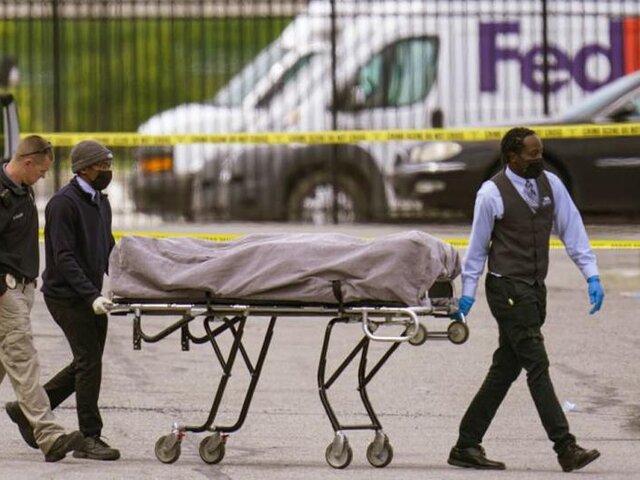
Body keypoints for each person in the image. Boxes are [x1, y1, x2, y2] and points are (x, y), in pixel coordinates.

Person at [447, 127, 605, 473]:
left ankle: (466, 444)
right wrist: (468, 294)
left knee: (506, 368)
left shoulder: (551, 184)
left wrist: (591, 274)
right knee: (537, 365)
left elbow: (572, 229)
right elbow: (477, 249)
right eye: (532, 154)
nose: (539, 159)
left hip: (534, 289)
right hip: (507, 290)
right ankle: (565, 447)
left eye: (540, 152)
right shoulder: (491, 194)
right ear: (512, 157)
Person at [5, 140, 119, 461]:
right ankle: (89, 436)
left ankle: (27, 410)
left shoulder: (100, 202)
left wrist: (127, 280)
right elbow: (63, 257)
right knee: (87, 361)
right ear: (85, 169)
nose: (107, 172)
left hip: (88, 293)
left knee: (88, 360)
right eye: (102, 166)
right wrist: (91, 295)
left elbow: (107, 247)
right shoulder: (63, 205)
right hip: (66, 296)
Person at [1, 135, 84, 462]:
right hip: (6, 291)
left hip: (22, 289)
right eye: (41, 170)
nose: (44, 176)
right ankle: (50, 436)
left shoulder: (22, 189)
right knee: (24, 361)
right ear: (27, 162)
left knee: (6, 361)